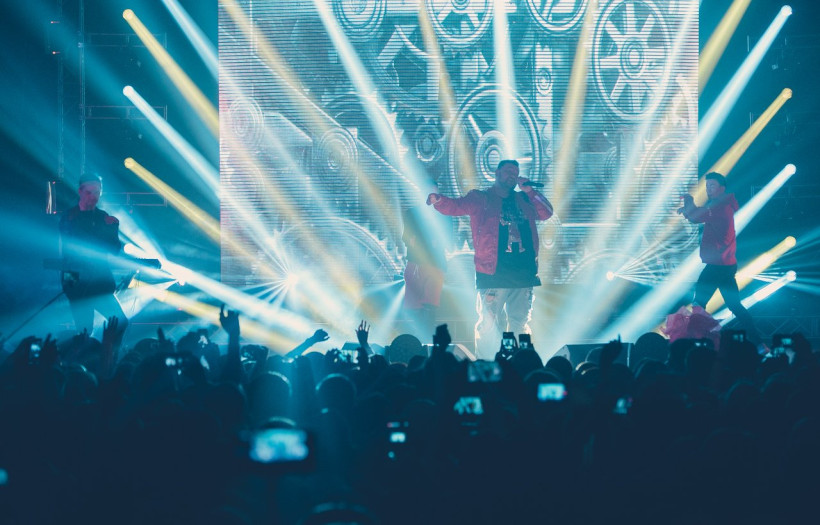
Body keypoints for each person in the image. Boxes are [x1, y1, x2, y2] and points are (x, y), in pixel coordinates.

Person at [427, 159, 554, 359]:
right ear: (497, 173)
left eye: (515, 172)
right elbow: (456, 206)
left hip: (524, 274)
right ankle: (487, 365)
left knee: (520, 323)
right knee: (489, 324)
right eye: (508, 171)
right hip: (493, 273)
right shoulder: (482, 198)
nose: (512, 175)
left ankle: (521, 363)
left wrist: (530, 191)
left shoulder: (524, 199)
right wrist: (438, 200)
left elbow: (547, 213)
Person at [678, 172, 757, 340]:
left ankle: (697, 341)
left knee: (698, 304)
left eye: (712, 185)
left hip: (717, 266)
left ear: (722, 188)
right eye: (707, 186)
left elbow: (697, 215)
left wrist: (688, 199)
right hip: (726, 265)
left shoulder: (720, 207)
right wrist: (687, 211)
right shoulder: (720, 206)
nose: (708, 189)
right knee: (735, 305)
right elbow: (698, 216)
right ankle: (757, 342)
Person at [59, 173, 128, 334]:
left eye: (97, 192)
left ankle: (106, 348)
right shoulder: (70, 217)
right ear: (80, 191)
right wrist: (70, 286)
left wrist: (112, 230)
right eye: (89, 192)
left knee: (120, 322)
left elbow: (114, 249)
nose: (93, 196)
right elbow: (71, 249)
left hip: (100, 283)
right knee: (85, 329)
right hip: (77, 281)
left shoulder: (103, 217)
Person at [401, 178, 451, 339]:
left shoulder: (444, 214)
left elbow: (449, 238)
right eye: (427, 192)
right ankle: (414, 341)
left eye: (434, 193)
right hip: (415, 264)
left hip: (435, 265)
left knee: (430, 307)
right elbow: (406, 237)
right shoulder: (411, 213)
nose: (431, 196)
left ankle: (428, 341)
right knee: (413, 308)